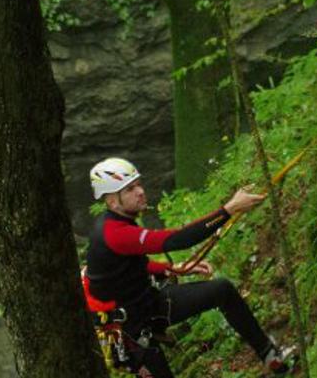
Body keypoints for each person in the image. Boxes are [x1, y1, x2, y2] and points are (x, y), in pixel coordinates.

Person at [84, 157, 292, 377]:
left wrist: (173, 268)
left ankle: (270, 356)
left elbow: (129, 266)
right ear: (113, 201)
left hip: (150, 304)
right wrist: (228, 210)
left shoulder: (119, 222)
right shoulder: (114, 232)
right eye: (130, 189)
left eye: (138, 184)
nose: (140, 192)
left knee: (222, 290)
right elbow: (177, 239)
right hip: (130, 331)